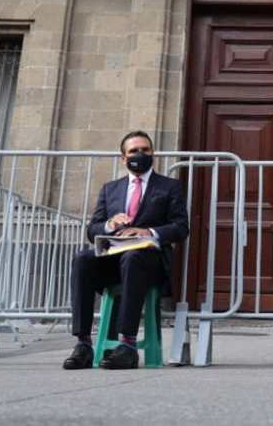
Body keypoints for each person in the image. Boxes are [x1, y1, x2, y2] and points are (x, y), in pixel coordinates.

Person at [62, 131, 189, 370]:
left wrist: (148, 232)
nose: (139, 155)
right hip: (113, 261)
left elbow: (181, 227)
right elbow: (93, 229)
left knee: (133, 257)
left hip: (149, 264)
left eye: (145, 150)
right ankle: (83, 343)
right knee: (82, 259)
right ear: (123, 158)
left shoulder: (169, 187)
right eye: (133, 151)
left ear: (153, 154)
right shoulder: (111, 189)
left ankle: (128, 345)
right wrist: (110, 225)